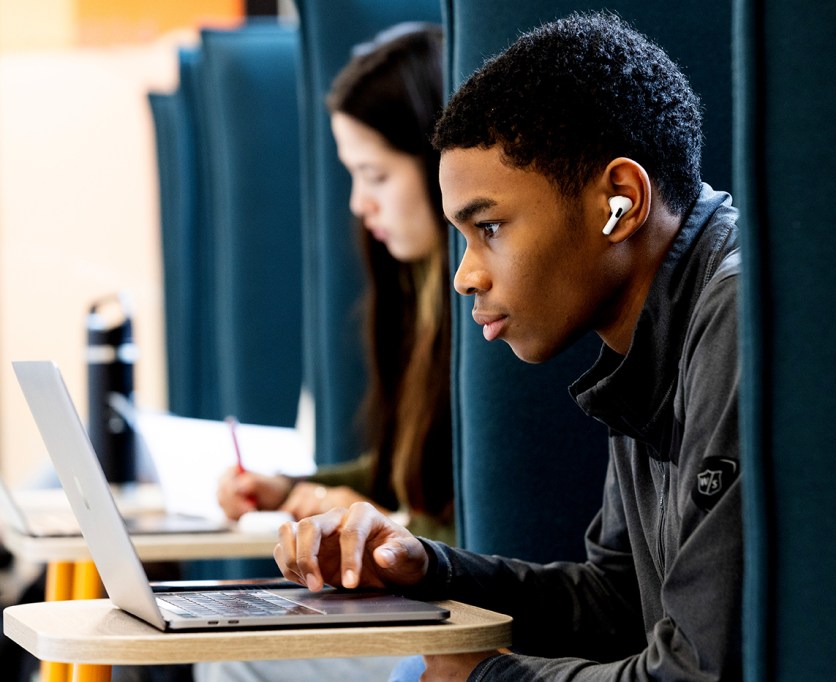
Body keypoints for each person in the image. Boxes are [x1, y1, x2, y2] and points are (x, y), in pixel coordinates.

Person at [275, 11, 743, 681]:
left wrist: (484, 678)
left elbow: (693, 674)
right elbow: (619, 603)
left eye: (488, 227)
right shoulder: (652, 330)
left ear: (621, 201)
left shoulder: (734, 321)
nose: (466, 274)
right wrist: (429, 568)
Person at [195, 23, 452, 682]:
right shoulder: (413, 291)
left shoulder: (483, 304)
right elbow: (409, 469)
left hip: (454, 604)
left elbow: (477, 523)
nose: (358, 203)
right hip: (423, 593)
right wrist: (288, 489)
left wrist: (386, 522)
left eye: (374, 174)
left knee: (233, 660)